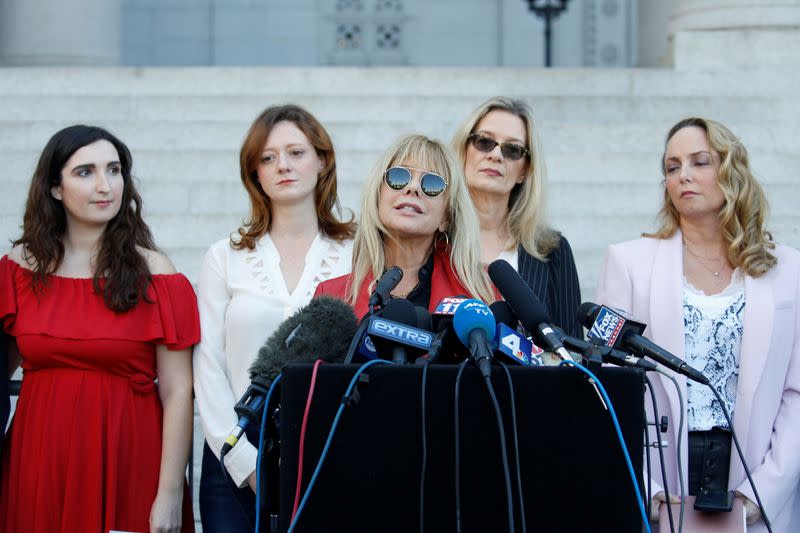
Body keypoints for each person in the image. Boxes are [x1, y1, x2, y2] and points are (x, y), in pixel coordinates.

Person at [595, 117, 800, 532]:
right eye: (672, 167)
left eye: (700, 162)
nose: (684, 175)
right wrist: (647, 490)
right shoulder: (627, 263)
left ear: (730, 170)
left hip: (755, 470)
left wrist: (764, 490)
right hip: (662, 473)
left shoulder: (789, 269)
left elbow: (797, 393)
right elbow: (607, 386)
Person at [0, 125, 197, 533]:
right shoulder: (18, 270)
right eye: (85, 172)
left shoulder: (155, 272)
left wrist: (170, 493)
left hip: (128, 460)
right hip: (38, 461)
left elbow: (178, 391)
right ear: (55, 187)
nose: (105, 185)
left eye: (114, 170)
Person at [193, 104, 356, 531]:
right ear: (256, 174)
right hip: (234, 457)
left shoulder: (358, 252)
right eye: (267, 158)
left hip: (325, 457)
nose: (282, 165)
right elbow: (208, 364)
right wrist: (243, 461)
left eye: (296, 153)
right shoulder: (224, 256)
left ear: (322, 161)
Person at [316, 133, 494, 317]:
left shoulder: (483, 296)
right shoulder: (331, 298)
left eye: (432, 183)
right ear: (377, 199)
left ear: (446, 217)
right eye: (399, 176)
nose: (413, 188)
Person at [453, 97, 582, 338]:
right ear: (464, 150)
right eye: (484, 141)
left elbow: (571, 353)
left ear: (525, 170)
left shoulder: (552, 249)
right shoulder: (435, 236)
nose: (495, 155)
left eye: (512, 149)